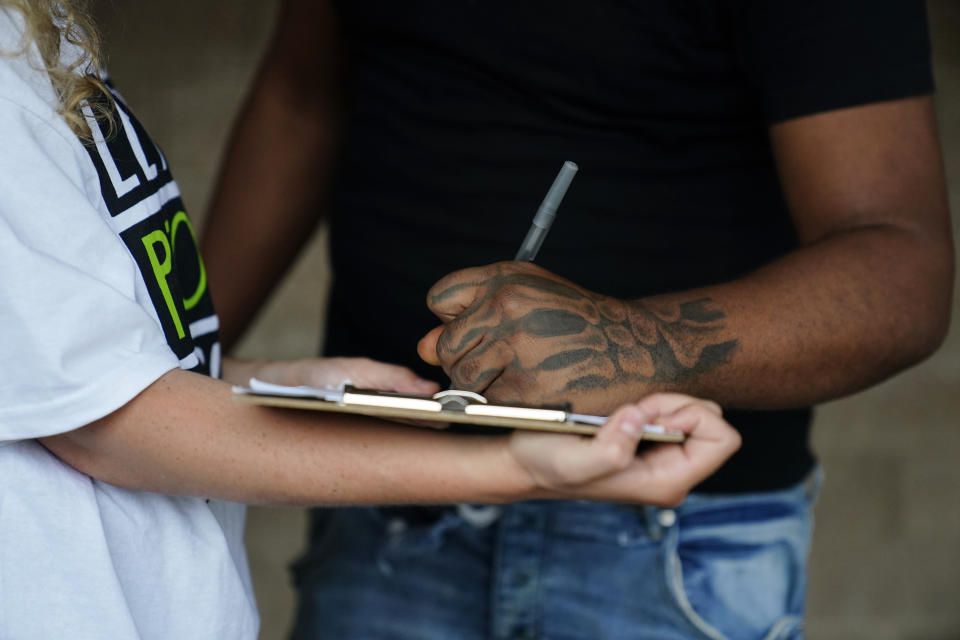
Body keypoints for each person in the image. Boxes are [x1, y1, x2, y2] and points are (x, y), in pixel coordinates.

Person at [200, 1, 954, 638]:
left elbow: (902, 263)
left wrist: (630, 344)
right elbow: (299, 97)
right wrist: (181, 359)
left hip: (669, 530)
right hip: (382, 504)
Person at [0, 2, 744, 639]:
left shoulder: (36, 27)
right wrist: (518, 467)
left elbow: (56, 367)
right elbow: (107, 423)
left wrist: (283, 385)